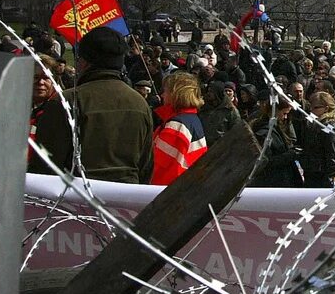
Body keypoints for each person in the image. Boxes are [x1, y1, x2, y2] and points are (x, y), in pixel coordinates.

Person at [31, 26, 154, 183]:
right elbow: (146, 167)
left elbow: (45, 166)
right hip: (126, 199)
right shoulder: (140, 103)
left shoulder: (66, 101)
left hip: (75, 198)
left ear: (84, 62)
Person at [151, 72, 208, 186]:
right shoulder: (191, 119)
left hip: (167, 192)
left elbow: (158, 166)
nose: (162, 95)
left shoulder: (177, 126)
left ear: (176, 94)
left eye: (166, 91)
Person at [300, 91, 335, 188]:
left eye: (316, 107)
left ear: (326, 108)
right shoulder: (314, 124)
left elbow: (332, 154)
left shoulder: (330, 126)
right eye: (310, 107)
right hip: (312, 172)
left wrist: (329, 177)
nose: (311, 110)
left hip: (321, 175)